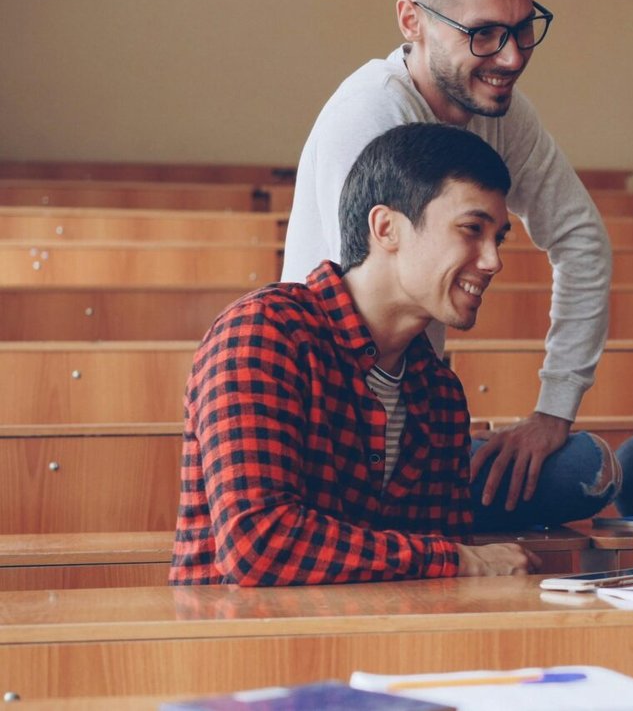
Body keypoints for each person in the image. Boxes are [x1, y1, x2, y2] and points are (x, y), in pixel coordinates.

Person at [281, 0, 616, 526]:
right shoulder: (367, 121)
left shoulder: (497, 107)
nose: (511, 57)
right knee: (588, 475)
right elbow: (363, 316)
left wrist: (553, 410)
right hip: (340, 429)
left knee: (592, 465)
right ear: (413, 22)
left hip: (420, 410)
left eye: (523, 29)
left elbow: (581, 238)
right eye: (484, 34)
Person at [173, 124, 539, 585]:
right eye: (471, 229)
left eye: (498, 238)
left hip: (383, 642)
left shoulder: (439, 391)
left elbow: (441, 575)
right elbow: (260, 546)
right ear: (386, 228)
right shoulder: (264, 333)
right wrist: (461, 560)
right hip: (243, 644)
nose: (493, 261)